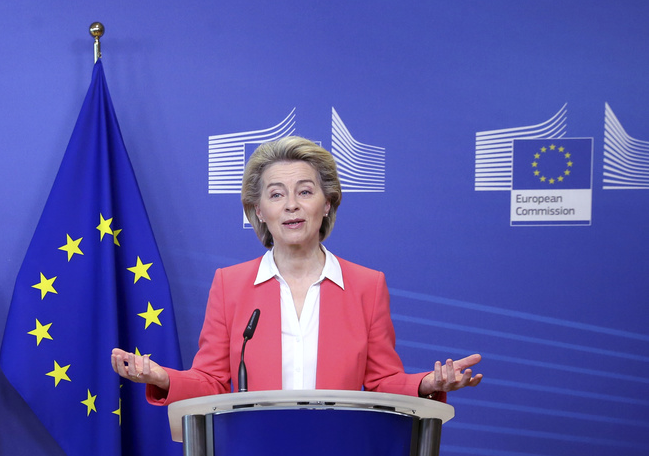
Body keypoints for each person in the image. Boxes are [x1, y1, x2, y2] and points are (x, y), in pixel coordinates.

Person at [111, 136, 481, 402]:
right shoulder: (230, 285)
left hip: (340, 451)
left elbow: (382, 382)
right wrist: (163, 377)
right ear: (259, 211)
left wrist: (426, 384)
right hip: (257, 452)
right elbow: (211, 381)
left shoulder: (367, 286)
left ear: (327, 203)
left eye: (305, 191)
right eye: (276, 194)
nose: (291, 205)